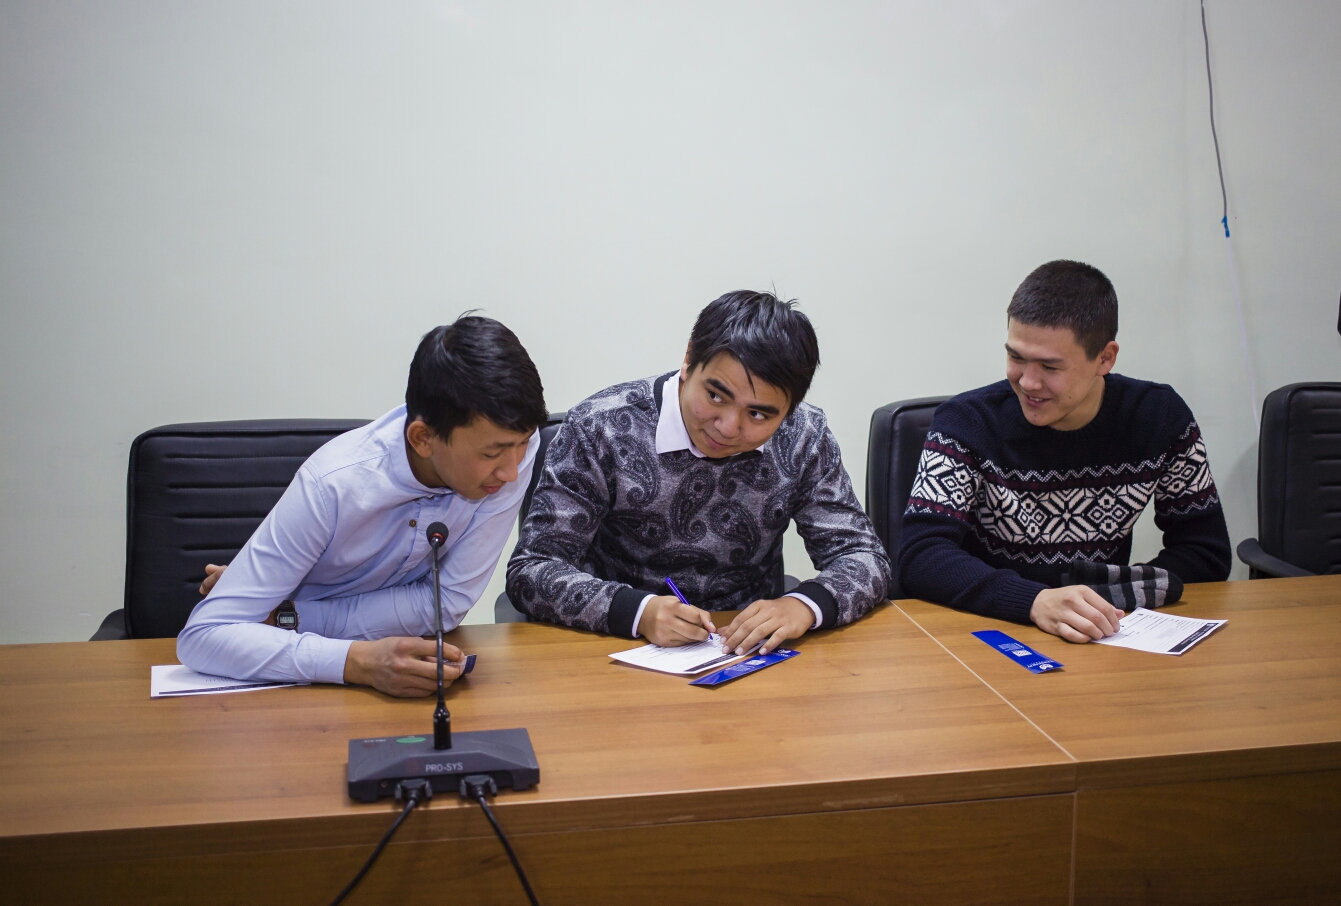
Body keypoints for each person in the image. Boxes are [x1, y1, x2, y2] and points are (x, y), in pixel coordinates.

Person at [506, 290, 891, 656]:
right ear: (689, 360)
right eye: (716, 396)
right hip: (614, 646)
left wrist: (804, 605)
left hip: (745, 649)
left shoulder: (803, 435)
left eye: (758, 414)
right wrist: (638, 612)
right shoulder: (600, 428)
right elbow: (533, 569)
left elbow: (864, 557)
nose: (728, 427)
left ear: (789, 411)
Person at [177, 316, 546, 696]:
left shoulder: (515, 448)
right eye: (491, 454)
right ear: (423, 439)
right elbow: (203, 636)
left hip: (394, 671)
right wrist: (358, 661)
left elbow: (445, 603)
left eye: (522, 444)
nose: (512, 473)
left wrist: (290, 616)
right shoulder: (332, 485)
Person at [898, 260, 1232, 643]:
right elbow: (920, 556)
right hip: (988, 632)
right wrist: (1034, 601)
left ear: (1104, 358)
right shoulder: (965, 423)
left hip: (1097, 637)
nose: (1028, 382)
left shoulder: (1159, 418)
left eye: (1050, 367)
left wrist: (1100, 605)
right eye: (1016, 357)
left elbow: (1205, 553)